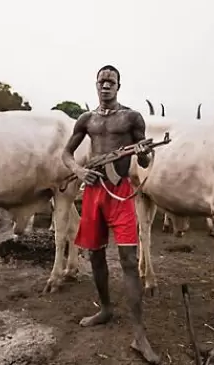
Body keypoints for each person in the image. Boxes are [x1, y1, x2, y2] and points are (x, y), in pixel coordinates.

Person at [61, 65, 160, 364]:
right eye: (102, 81)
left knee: (130, 260)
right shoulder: (86, 119)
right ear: (96, 85)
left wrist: (143, 152)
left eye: (111, 81)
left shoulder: (131, 117)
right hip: (93, 193)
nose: (106, 85)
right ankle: (105, 309)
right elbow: (67, 154)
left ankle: (139, 335)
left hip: (120, 194)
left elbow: (144, 156)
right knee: (94, 255)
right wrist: (79, 170)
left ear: (119, 86)